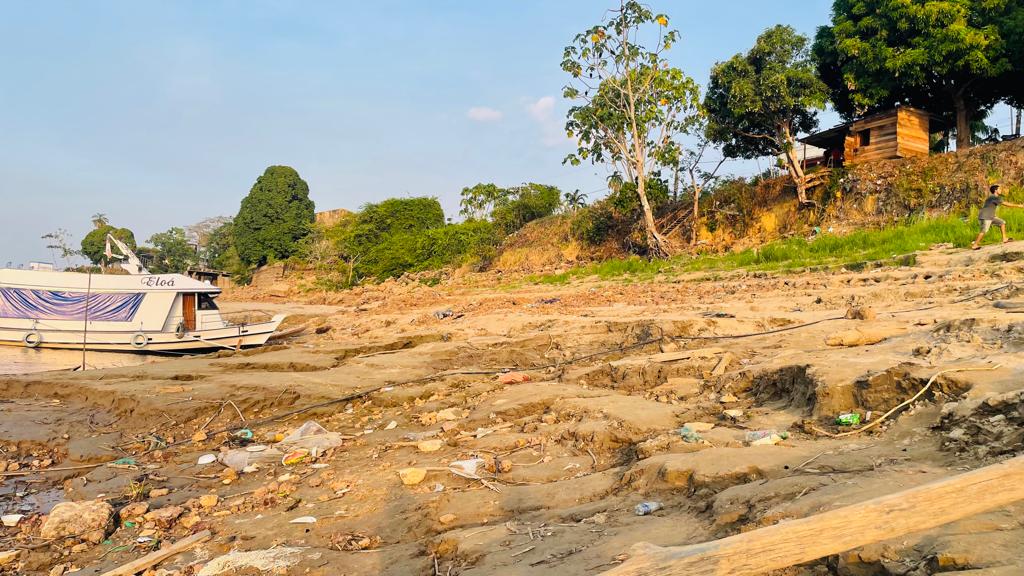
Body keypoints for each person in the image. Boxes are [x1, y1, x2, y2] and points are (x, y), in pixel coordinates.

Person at [972, 184, 1021, 250]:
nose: (1001, 190)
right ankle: (975, 244)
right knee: (984, 231)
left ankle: (1004, 239)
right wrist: (1018, 206)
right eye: (999, 189)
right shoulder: (994, 197)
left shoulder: (993, 197)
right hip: (986, 217)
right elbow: (1006, 204)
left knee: (1002, 222)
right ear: (995, 190)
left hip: (991, 216)